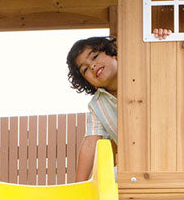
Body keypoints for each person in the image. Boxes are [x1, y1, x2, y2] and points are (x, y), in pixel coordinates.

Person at [67, 32, 166, 180]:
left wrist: (162, 37)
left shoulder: (143, 74)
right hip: (137, 166)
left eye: (94, 57)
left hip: (170, 149)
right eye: (85, 69)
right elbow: (90, 144)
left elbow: (164, 58)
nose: (92, 66)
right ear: (88, 83)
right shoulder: (98, 105)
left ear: (114, 53)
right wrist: (77, 186)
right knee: (104, 180)